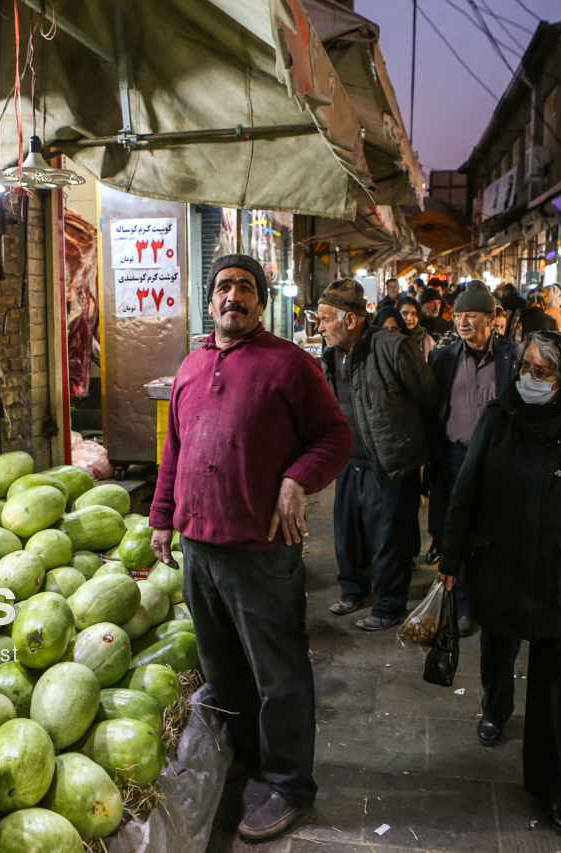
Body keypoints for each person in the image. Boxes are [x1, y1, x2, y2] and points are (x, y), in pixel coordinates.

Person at [148, 254, 352, 841]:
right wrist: (163, 519)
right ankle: (250, 758)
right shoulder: (190, 365)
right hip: (199, 548)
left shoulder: (289, 365)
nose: (232, 296)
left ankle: (290, 785)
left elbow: (335, 437)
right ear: (210, 301)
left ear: (261, 303)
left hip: (260, 553)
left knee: (278, 673)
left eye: (244, 287)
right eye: (222, 287)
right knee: (222, 667)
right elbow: (175, 453)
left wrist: (296, 479)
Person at [438, 330, 561, 836]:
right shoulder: (498, 418)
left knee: (558, 687)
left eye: (542, 371)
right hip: (500, 564)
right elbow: (467, 492)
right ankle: (495, 708)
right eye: (524, 367)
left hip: (560, 575)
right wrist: (451, 558)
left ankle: (553, 788)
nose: (529, 378)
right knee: (497, 648)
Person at [318, 279, 439, 631]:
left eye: (326, 319)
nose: (320, 327)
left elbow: (428, 395)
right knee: (348, 533)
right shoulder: (331, 353)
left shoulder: (393, 347)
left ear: (351, 320)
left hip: (389, 463)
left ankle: (389, 606)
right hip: (348, 462)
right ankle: (353, 590)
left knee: (388, 538)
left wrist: (411, 443)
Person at [427, 281, 518, 633]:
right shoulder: (442, 357)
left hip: (498, 461)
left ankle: (492, 598)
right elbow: (432, 407)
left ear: (492, 319)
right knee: (457, 532)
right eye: (459, 316)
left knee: (495, 531)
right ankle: (463, 604)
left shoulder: (512, 356)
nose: (463, 323)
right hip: (454, 458)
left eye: (471, 316)